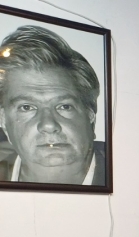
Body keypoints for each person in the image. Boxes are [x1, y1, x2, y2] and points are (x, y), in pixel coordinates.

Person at [0, 25, 105, 185]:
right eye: (26, 107)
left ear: (90, 115)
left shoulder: (133, 169)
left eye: (64, 106)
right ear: (3, 120)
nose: (49, 125)